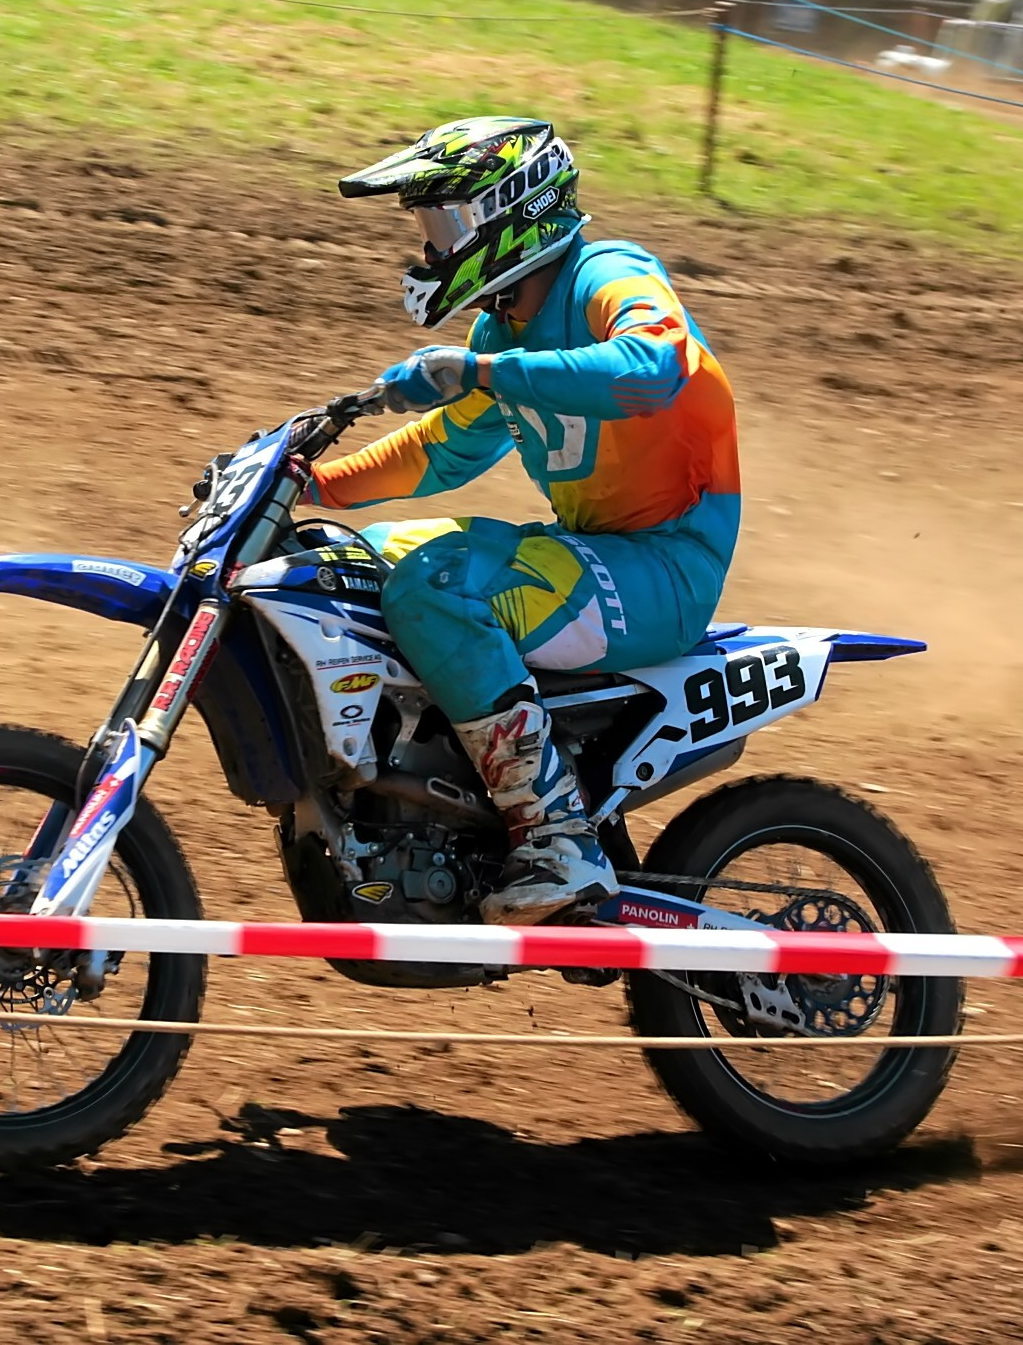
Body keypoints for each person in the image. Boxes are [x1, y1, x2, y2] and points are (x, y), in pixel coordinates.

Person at [314, 117, 740, 925]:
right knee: (356, 560)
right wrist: (314, 484)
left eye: (445, 225)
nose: (431, 249)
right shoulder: (501, 328)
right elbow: (443, 450)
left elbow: (653, 369)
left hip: (665, 568)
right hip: (598, 555)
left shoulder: (608, 275)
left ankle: (558, 835)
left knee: (437, 584)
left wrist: (481, 370)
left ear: (512, 213)